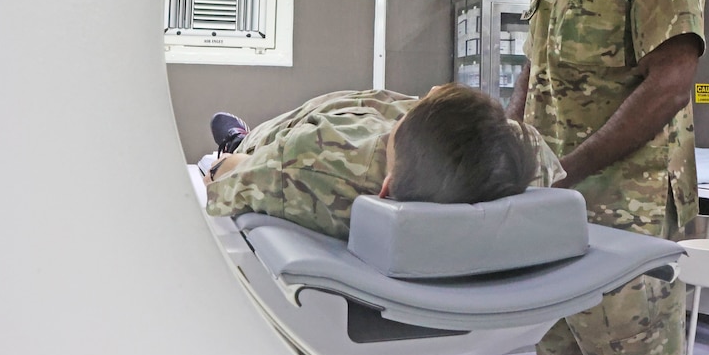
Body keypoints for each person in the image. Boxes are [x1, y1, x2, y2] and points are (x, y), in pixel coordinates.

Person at [507, 0, 707, 355]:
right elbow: (533, 71)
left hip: (628, 217)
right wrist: (513, 148)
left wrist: (567, 169)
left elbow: (669, 85)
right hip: (554, 209)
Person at [203, 84, 565, 240]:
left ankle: (238, 136)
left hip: (279, 136)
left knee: (244, 144)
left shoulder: (308, 162)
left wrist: (228, 159)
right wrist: (443, 104)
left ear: (387, 187)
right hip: (449, 141)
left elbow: (221, 177)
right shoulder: (528, 155)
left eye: (405, 120)